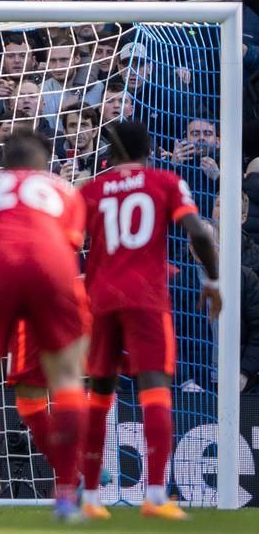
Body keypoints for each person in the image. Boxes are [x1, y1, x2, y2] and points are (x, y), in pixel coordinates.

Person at [78, 121, 221, 521]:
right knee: (154, 389)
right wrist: (212, 280)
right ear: (151, 148)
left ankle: (90, 496)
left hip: (101, 299)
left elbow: (65, 241)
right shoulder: (165, 181)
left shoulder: (89, 190)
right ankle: (156, 495)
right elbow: (200, 234)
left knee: (99, 393)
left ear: (111, 152)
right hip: (146, 298)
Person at [0, 131, 87, 522]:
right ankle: (66, 493)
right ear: (45, 161)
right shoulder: (65, 190)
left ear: (4, 162)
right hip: (52, 270)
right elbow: (69, 241)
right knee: (67, 379)